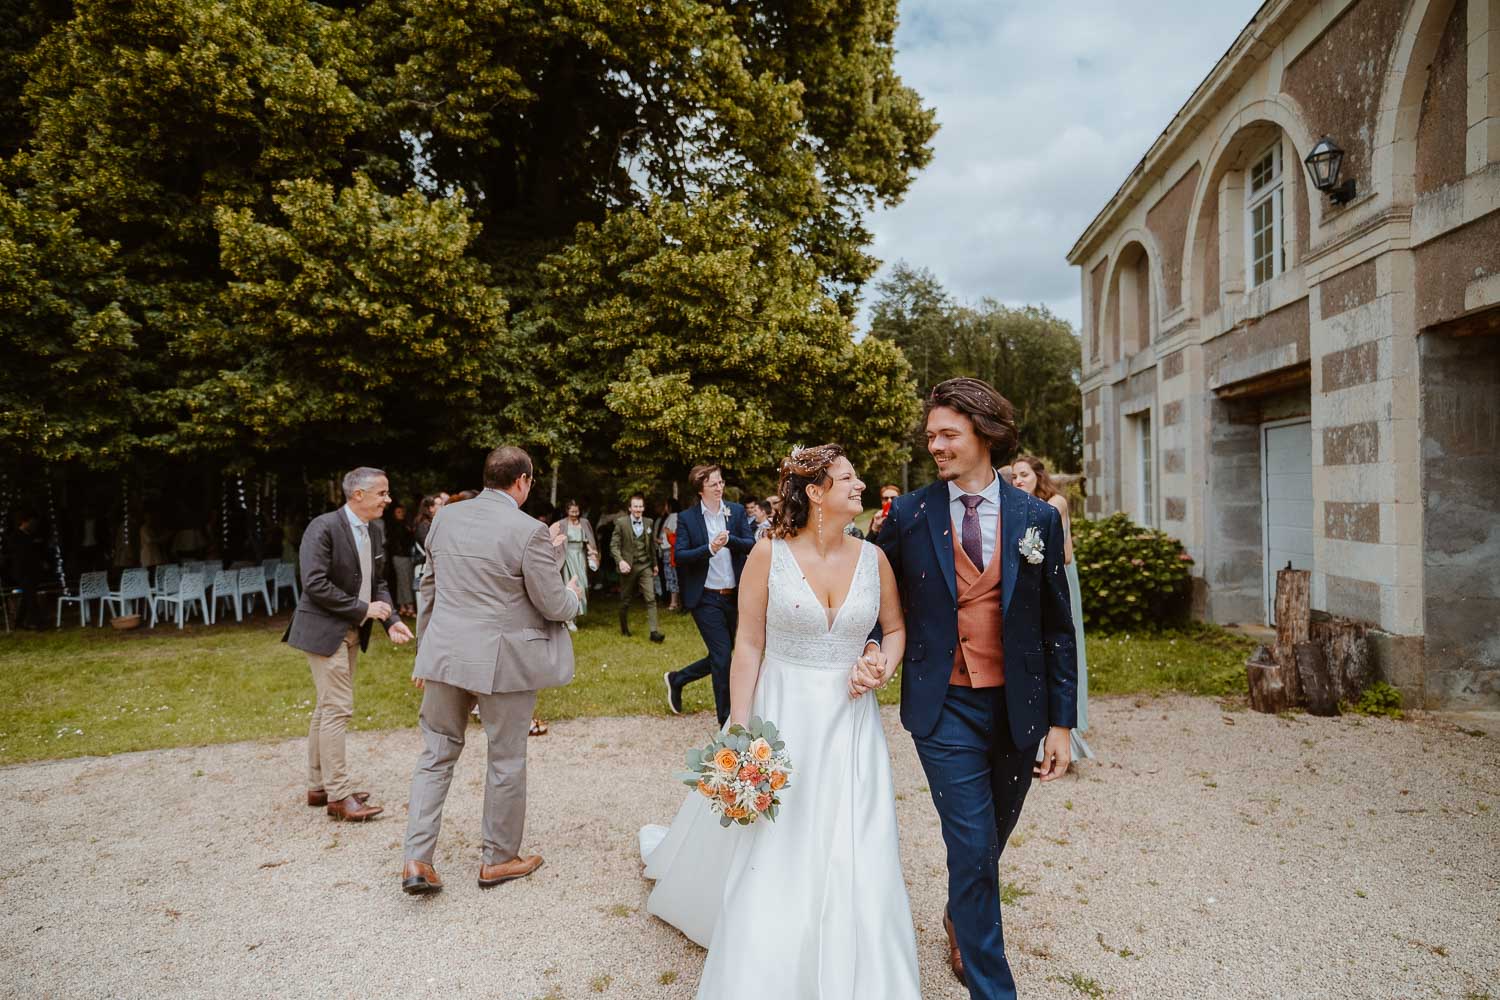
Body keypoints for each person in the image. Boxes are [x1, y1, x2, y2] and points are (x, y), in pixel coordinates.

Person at [640, 444, 920, 997]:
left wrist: (879, 665)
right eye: (847, 479)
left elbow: (893, 628)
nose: (860, 484)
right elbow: (747, 643)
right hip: (785, 710)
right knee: (780, 837)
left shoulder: (875, 558)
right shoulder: (769, 553)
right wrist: (740, 729)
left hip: (852, 721)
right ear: (816, 493)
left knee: (856, 836)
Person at [872, 377, 1077, 998]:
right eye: (930, 434)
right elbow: (869, 601)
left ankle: (962, 913)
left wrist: (1062, 723)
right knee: (970, 843)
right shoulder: (908, 515)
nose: (934, 444)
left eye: (947, 434)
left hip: (1018, 709)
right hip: (944, 706)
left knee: (989, 841)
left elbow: (1056, 629)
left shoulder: (1035, 517)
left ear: (984, 434)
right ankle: (994, 989)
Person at [399, 447, 583, 895]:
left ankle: (416, 860)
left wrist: (426, 651)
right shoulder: (529, 531)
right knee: (505, 756)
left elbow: (430, 588)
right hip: (502, 662)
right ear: (522, 481)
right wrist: (572, 589)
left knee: (436, 752)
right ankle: (498, 860)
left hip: (444, 653)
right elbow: (551, 602)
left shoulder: (446, 518)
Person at [283, 467, 414, 821]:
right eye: (382, 493)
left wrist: (392, 621)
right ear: (358, 495)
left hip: (354, 631)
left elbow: (378, 580)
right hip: (324, 630)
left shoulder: (373, 530)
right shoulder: (323, 527)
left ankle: (318, 786)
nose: (388, 499)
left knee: (327, 708)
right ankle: (339, 797)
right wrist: (363, 609)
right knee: (338, 708)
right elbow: (314, 583)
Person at [1012, 455, 1093, 765]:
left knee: (1059, 646)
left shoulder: (1054, 503)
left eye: (1024, 474)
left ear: (1038, 476)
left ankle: (1066, 725)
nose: (1018, 480)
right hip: (1035, 580)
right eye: (1015, 476)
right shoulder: (1023, 505)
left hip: (1057, 577)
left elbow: (1065, 554)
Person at [663, 465, 756, 723]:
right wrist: (709, 548)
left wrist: (730, 541)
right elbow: (679, 556)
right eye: (714, 483)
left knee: (722, 655)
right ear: (700, 488)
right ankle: (725, 719)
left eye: (721, 482)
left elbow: (750, 544)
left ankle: (677, 679)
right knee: (723, 656)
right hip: (705, 597)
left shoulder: (735, 512)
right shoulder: (688, 518)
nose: (720, 487)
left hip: (733, 596)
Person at [610, 494, 665, 643]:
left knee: (651, 598)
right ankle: (624, 627)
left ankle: (654, 632)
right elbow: (614, 546)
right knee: (626, 600)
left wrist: (654, 564)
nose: (638, 509)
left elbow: (652, 545)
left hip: (645, 565)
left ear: (643, 508)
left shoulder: (649, 522)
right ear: (630, 508)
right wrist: (620, 561)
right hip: (628, 566)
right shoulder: (621, 523)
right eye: (635, 506)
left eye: (640, 506)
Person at [549, 499, 599, 630]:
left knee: (582, 585)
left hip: (580, 556)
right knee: (568, 585)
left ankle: (575, 613)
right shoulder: (561, 524)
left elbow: (589, 540)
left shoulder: (584, 523)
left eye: (576, 511)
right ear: (567, 511)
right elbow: (553, 540)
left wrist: (593, 553)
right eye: (572, 511)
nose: (574, 514)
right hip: (567, 557)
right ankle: (568, 618)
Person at [7, 512, 47, 630]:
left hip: (31, 570)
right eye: (31, 522)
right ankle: (39, 623)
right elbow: (21, 554)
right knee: (31, 597)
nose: (33, 525)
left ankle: (19, 622)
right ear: (25, 522)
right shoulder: (16, 536)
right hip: (23, 571)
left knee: (27, 597)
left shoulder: (29, 535)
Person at [387, 503, 415, 619]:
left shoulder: (404, 525)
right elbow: (400, 542)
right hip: (401, 556)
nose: (401, 514)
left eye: (402, 512)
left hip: (402, 556)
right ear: (394, 514)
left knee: (403, 581)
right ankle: (409, 606)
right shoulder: (396, 526)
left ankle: (403, 606)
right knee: (405, 581)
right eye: (398, 512)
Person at [654, 498, 681, 612]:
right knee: (672, 577)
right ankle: (674, 601)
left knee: (672, 577)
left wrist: (658, 540)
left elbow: (670, 536)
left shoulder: (673, 517)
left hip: (669, 551)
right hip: (668, 550)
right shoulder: (672, 517)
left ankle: (674, 602)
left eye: (666, 505)